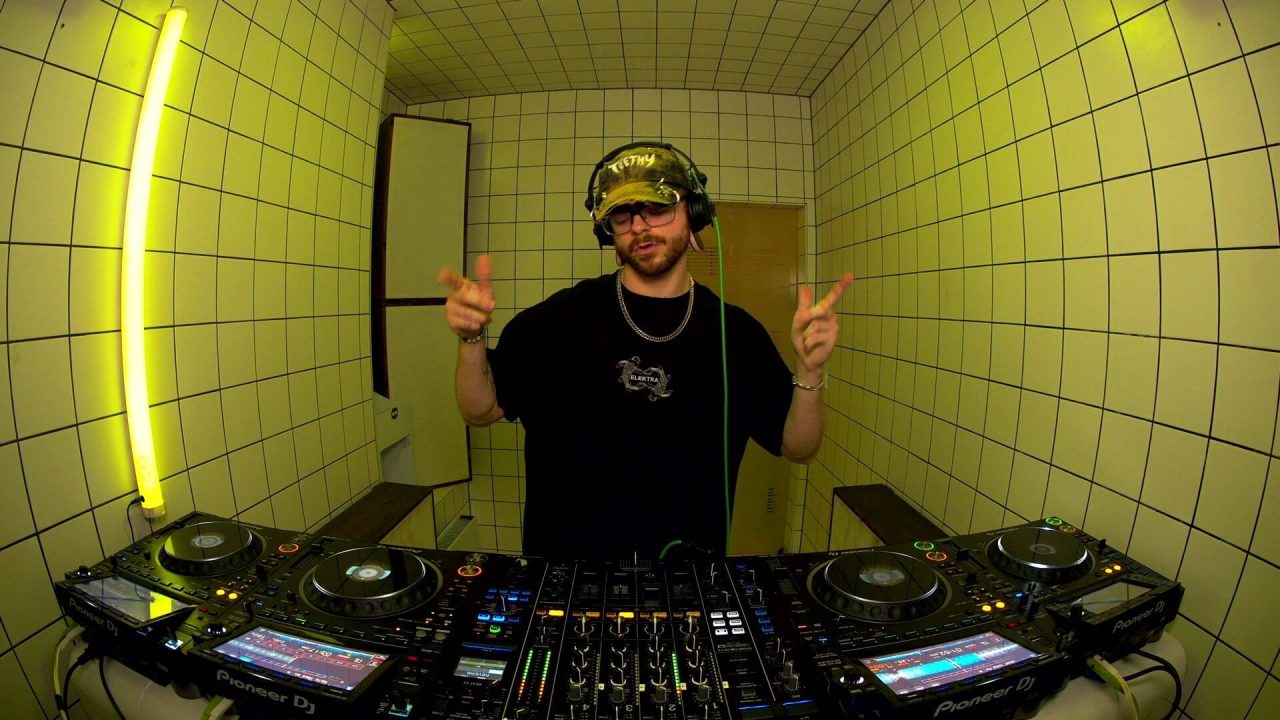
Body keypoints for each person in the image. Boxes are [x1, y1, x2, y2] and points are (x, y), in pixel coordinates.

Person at [439, 142, 852, 560]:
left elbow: (800, 449)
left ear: (694, 214)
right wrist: (470, 339)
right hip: (566, 579)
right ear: (609, 232)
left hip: (688, 578)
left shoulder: (738, 335)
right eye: (623, 214)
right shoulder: (553, 322)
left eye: (657, 207)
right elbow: (480, 411)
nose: (639, 225)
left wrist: (810, 372)